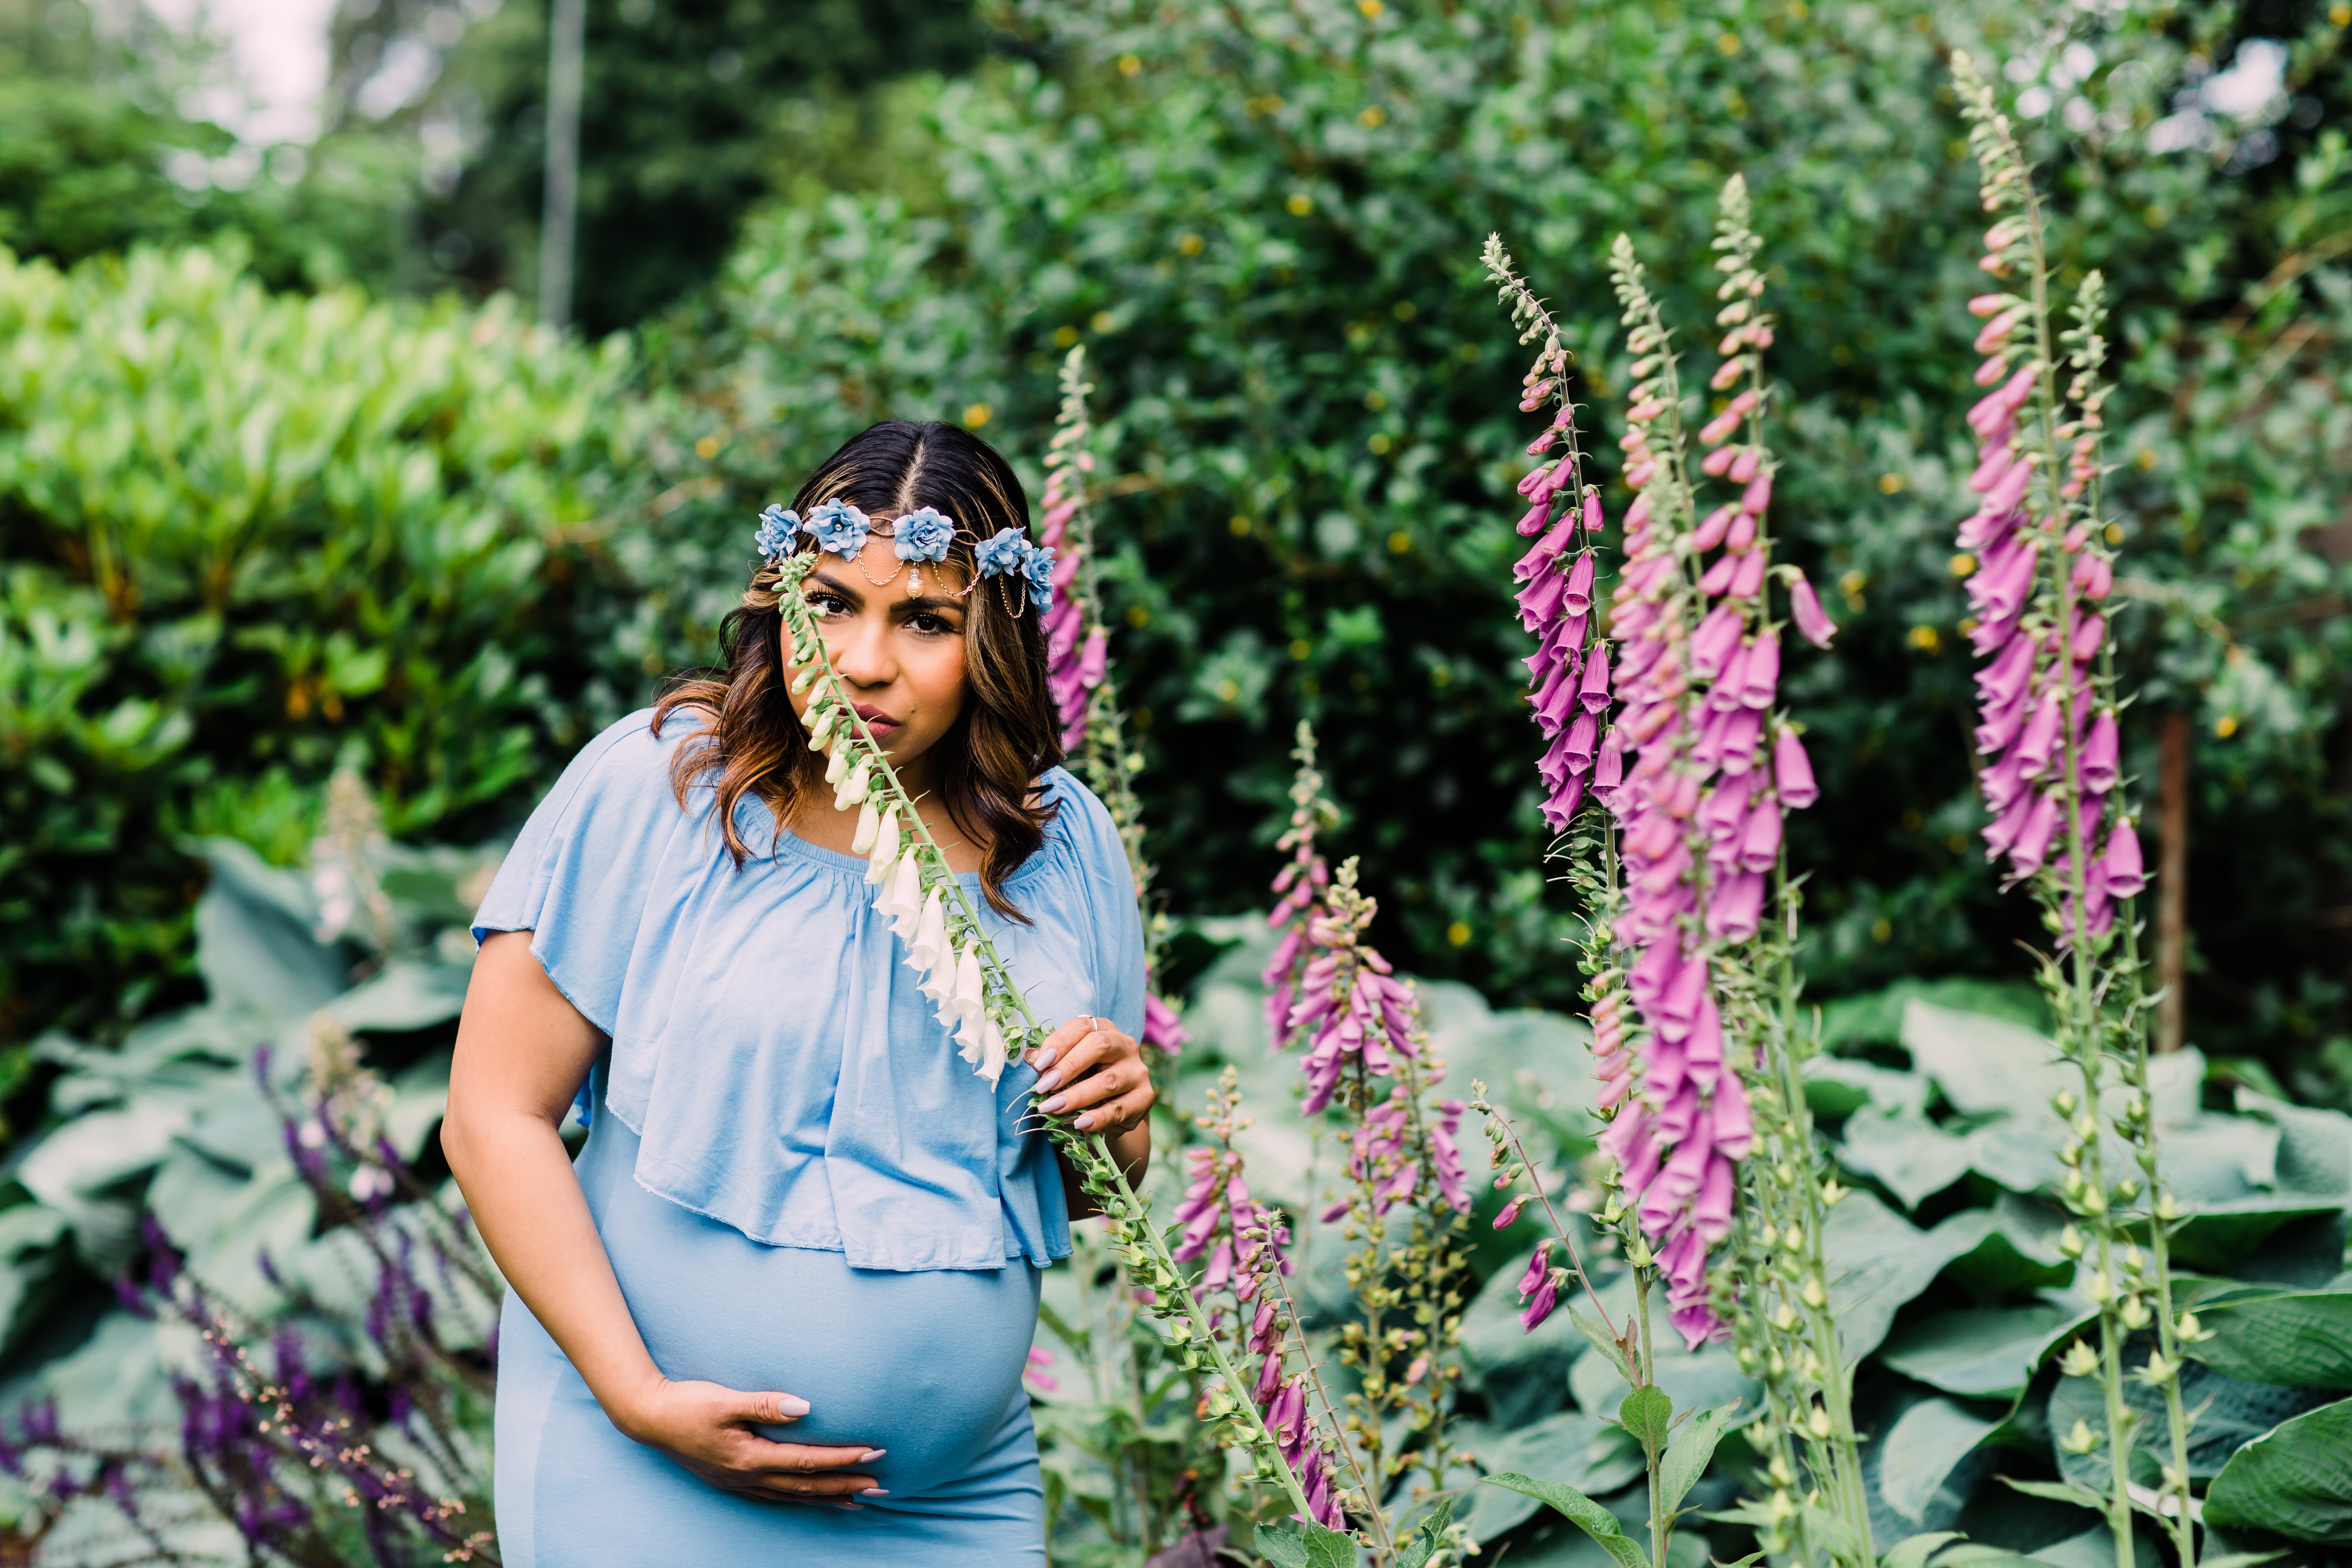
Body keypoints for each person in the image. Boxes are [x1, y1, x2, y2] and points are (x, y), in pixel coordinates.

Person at [442, 420, 1155, 1565]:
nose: (863, 660)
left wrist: (1125, 1121)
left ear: (998, 643)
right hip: (641, 1464)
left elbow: (1080, 1191)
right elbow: (492, 1117)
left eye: (926, 621)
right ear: (780, 600)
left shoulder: (1061, 847)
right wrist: (636, 1397)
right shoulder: (663, 786)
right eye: (829, 603)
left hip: (954, 1507)